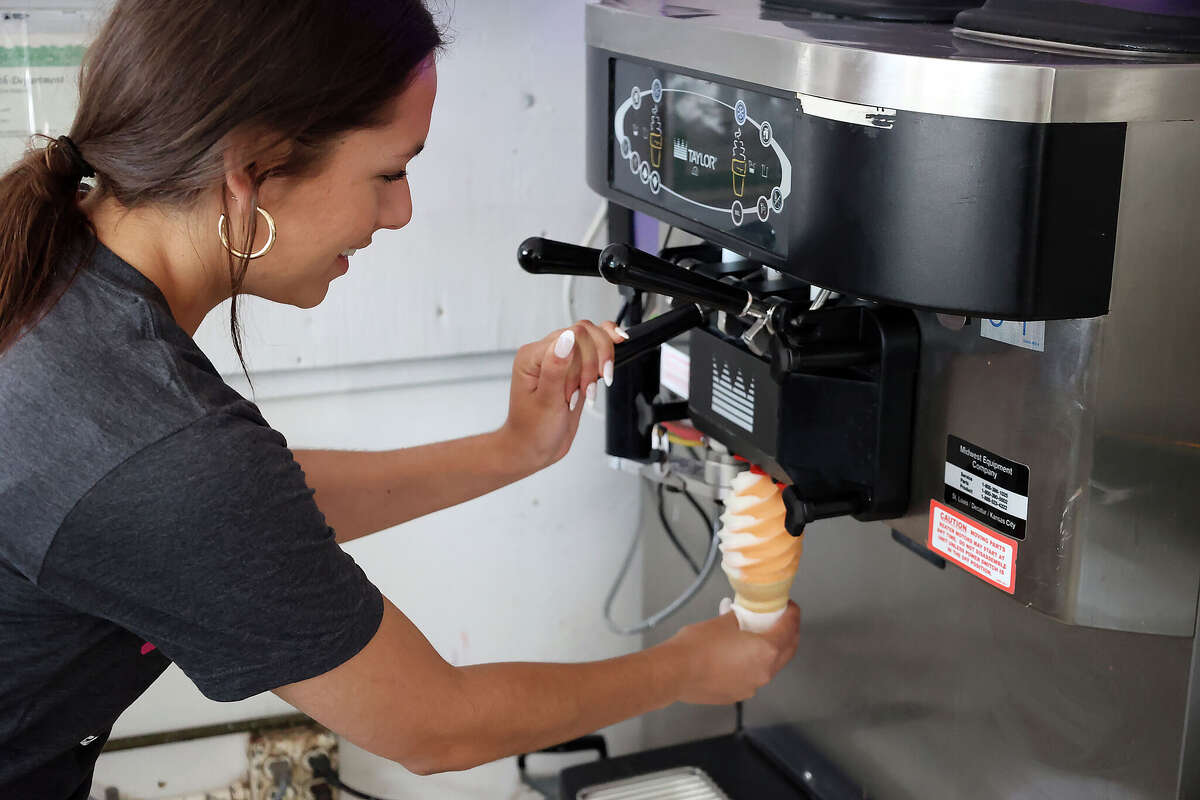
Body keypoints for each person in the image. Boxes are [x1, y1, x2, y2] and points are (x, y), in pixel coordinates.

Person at [0, 1, 801, 796]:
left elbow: (241, 519)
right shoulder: (158, 444)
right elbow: (436, 726)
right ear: (251, 169)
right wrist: (689, 667)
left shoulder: (59, 295)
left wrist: (510, 448)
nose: (401, 210)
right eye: (389, 171)